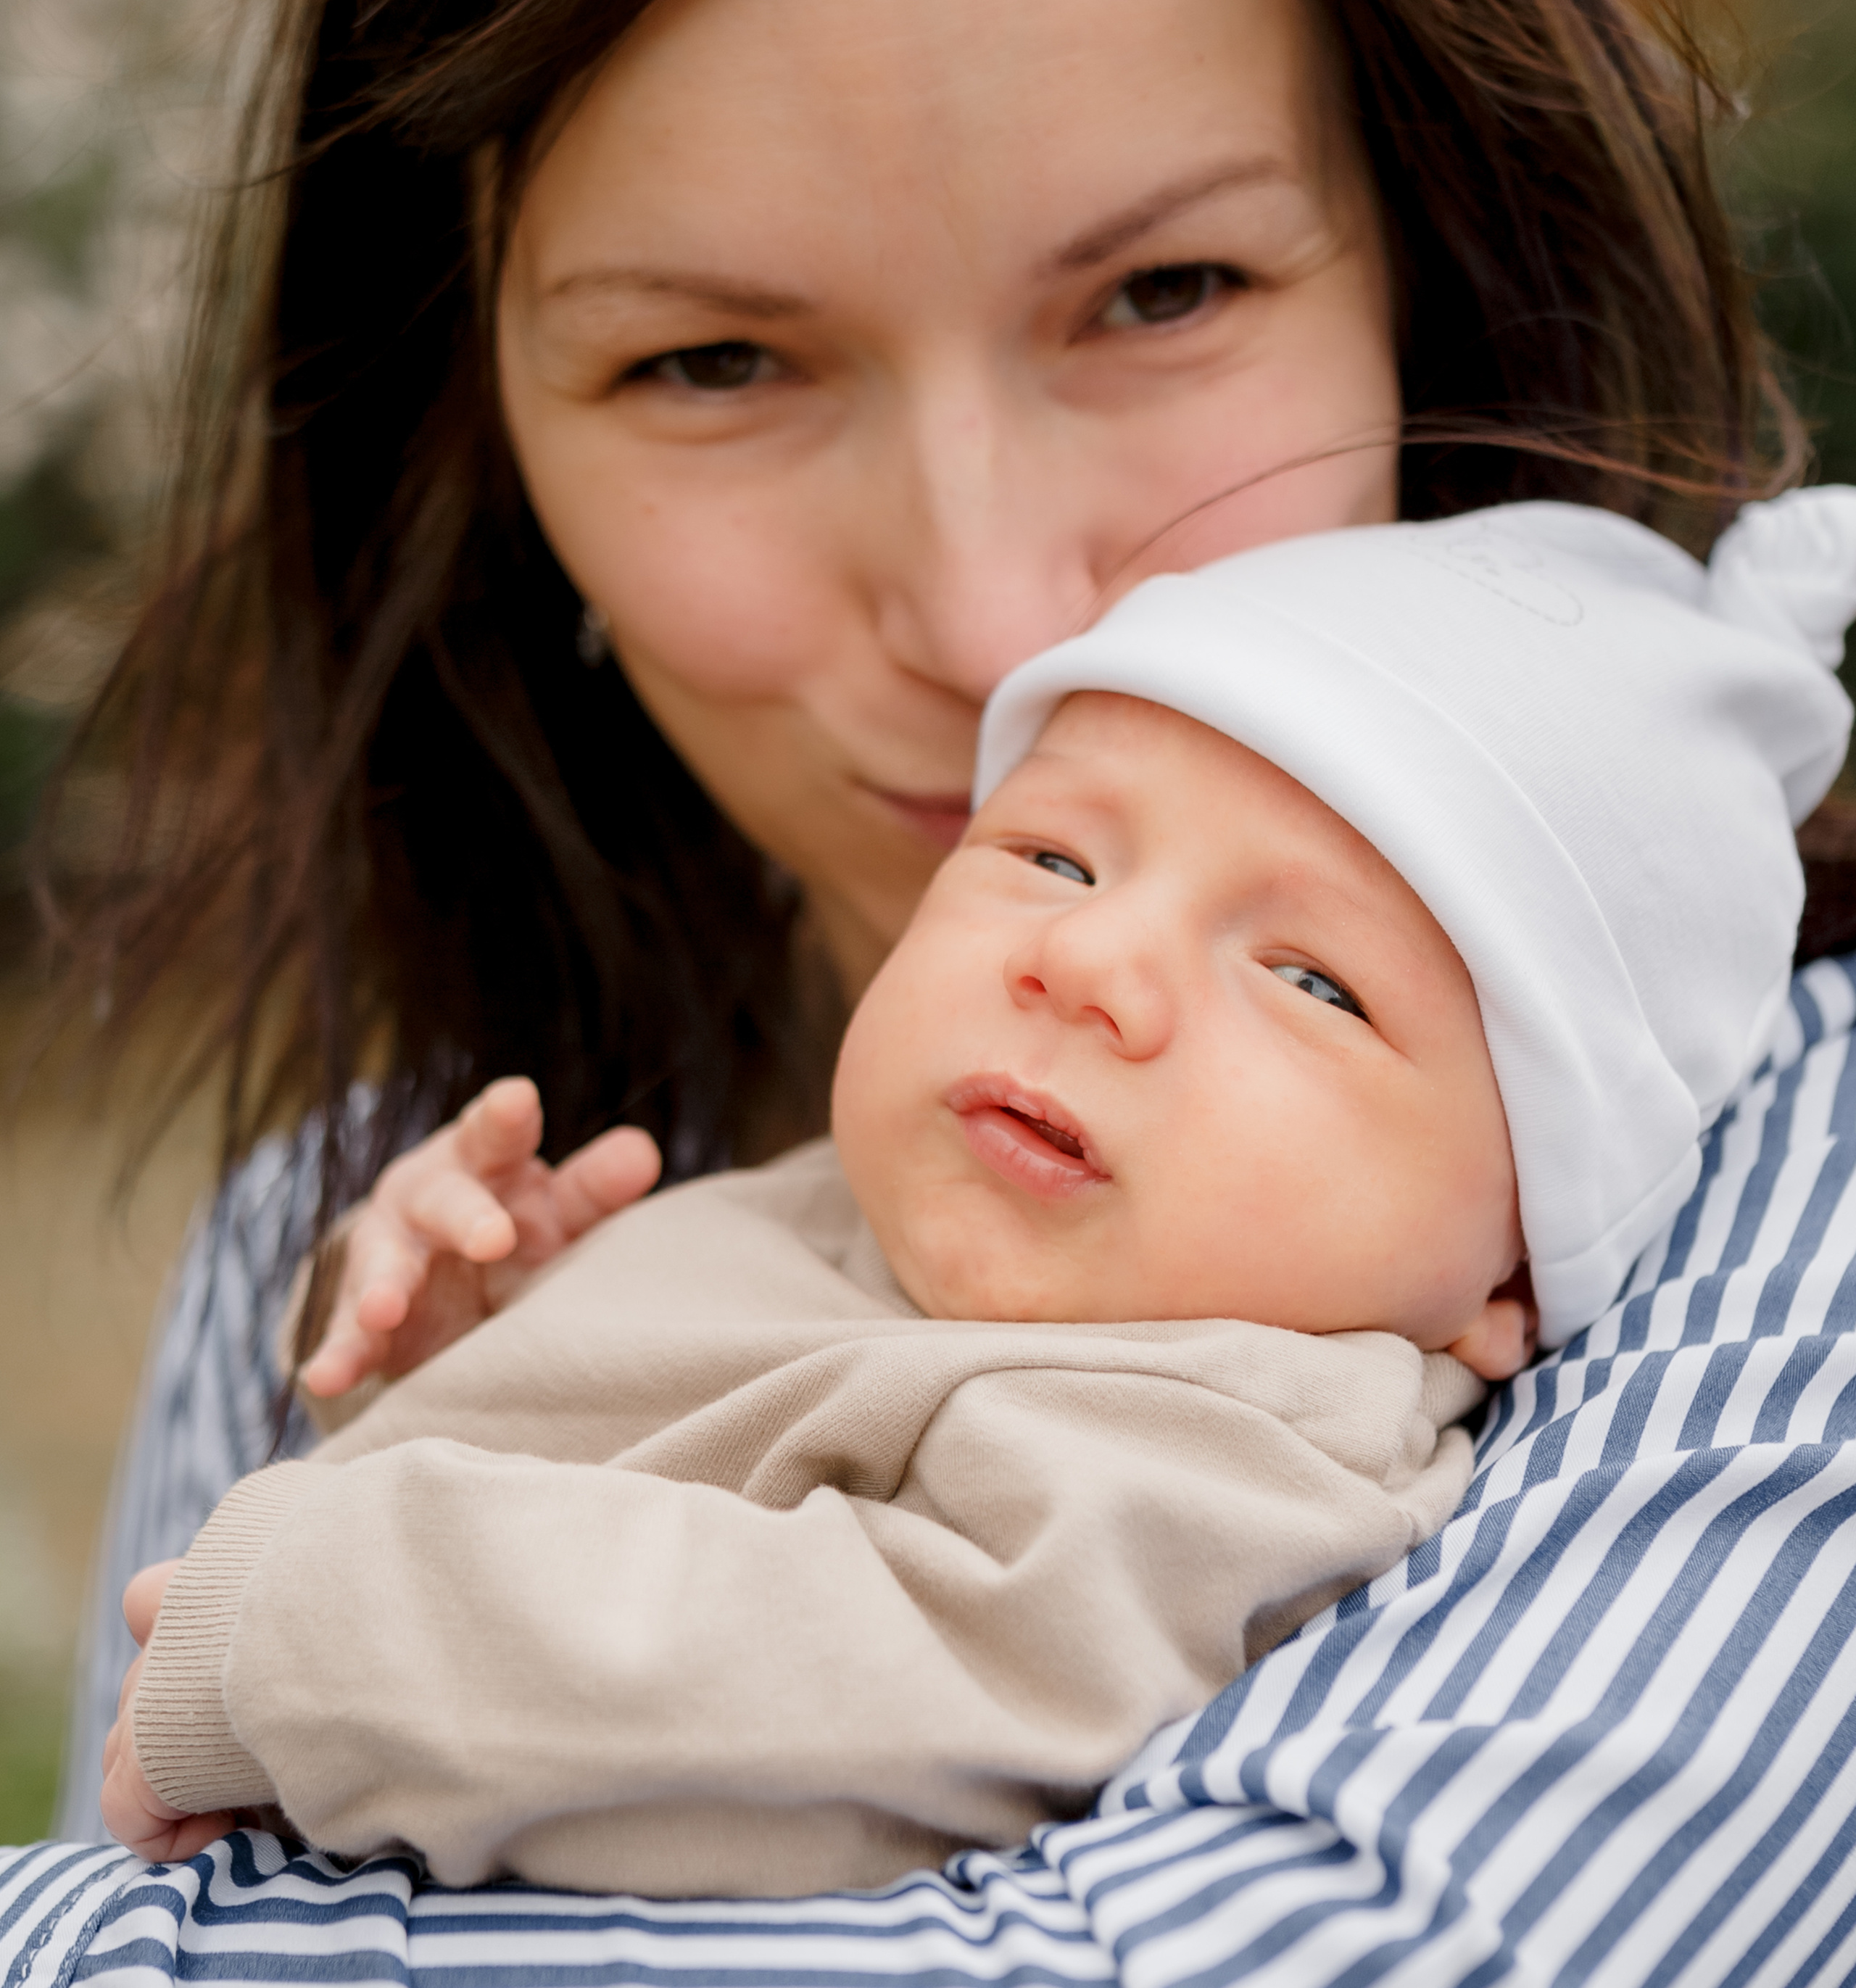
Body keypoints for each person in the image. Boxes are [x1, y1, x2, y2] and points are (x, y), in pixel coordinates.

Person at [25, 0, 1839, 1969]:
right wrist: (476, 1345)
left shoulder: (1646, 1256)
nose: (992, 623)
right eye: (714, 357)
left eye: (1164, 289)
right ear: (465, 416)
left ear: (1432, 261)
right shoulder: (363, 1215)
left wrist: (289, 1647)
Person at [93, 492, 1856, 1902]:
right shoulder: (857, 1217)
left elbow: (867, 1686)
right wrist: (471, 1329)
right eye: (1049, 855)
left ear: (1503, 1285)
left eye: (1315, 983)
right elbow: (596, 1461)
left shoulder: (1225, 1432)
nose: (1090, 961)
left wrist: (302, 1632)